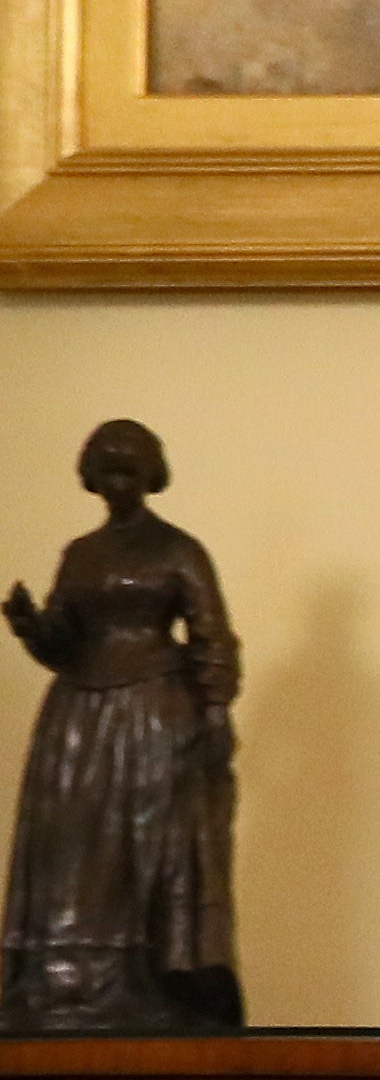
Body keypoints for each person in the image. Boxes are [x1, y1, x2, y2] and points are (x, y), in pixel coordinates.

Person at [2, 417, 240, 1037]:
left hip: (154, 710)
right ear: (92, 478)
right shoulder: (81, 555)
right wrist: (31, 626)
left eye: (130, 472)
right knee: (73, 844)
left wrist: (214, 713)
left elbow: (213, 637)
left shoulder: (178, 550)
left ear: (150, 476)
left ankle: (147, 979)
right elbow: (64, 640)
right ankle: (61, 981)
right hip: (78, 715)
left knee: (145, 845)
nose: (119, 485)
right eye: (107, 473)